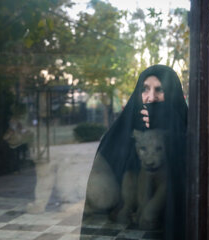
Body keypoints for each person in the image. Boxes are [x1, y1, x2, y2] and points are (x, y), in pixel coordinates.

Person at [80, 65, 188, 239]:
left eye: (159, 90)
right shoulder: (122, 133)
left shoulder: (184, 133)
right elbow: (101, 197)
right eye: (145, 89)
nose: (150, 98)